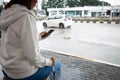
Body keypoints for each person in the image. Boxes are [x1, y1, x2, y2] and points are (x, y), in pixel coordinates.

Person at [0, 0, 62, 80]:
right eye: (35, 0)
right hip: (23, 73)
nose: (36, 2)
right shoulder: (26, 17)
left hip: (7, 69)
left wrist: (39, 37)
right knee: (58, 65)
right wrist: (49, 62)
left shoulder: (5, 14)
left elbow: (14, 39)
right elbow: (33, 56)